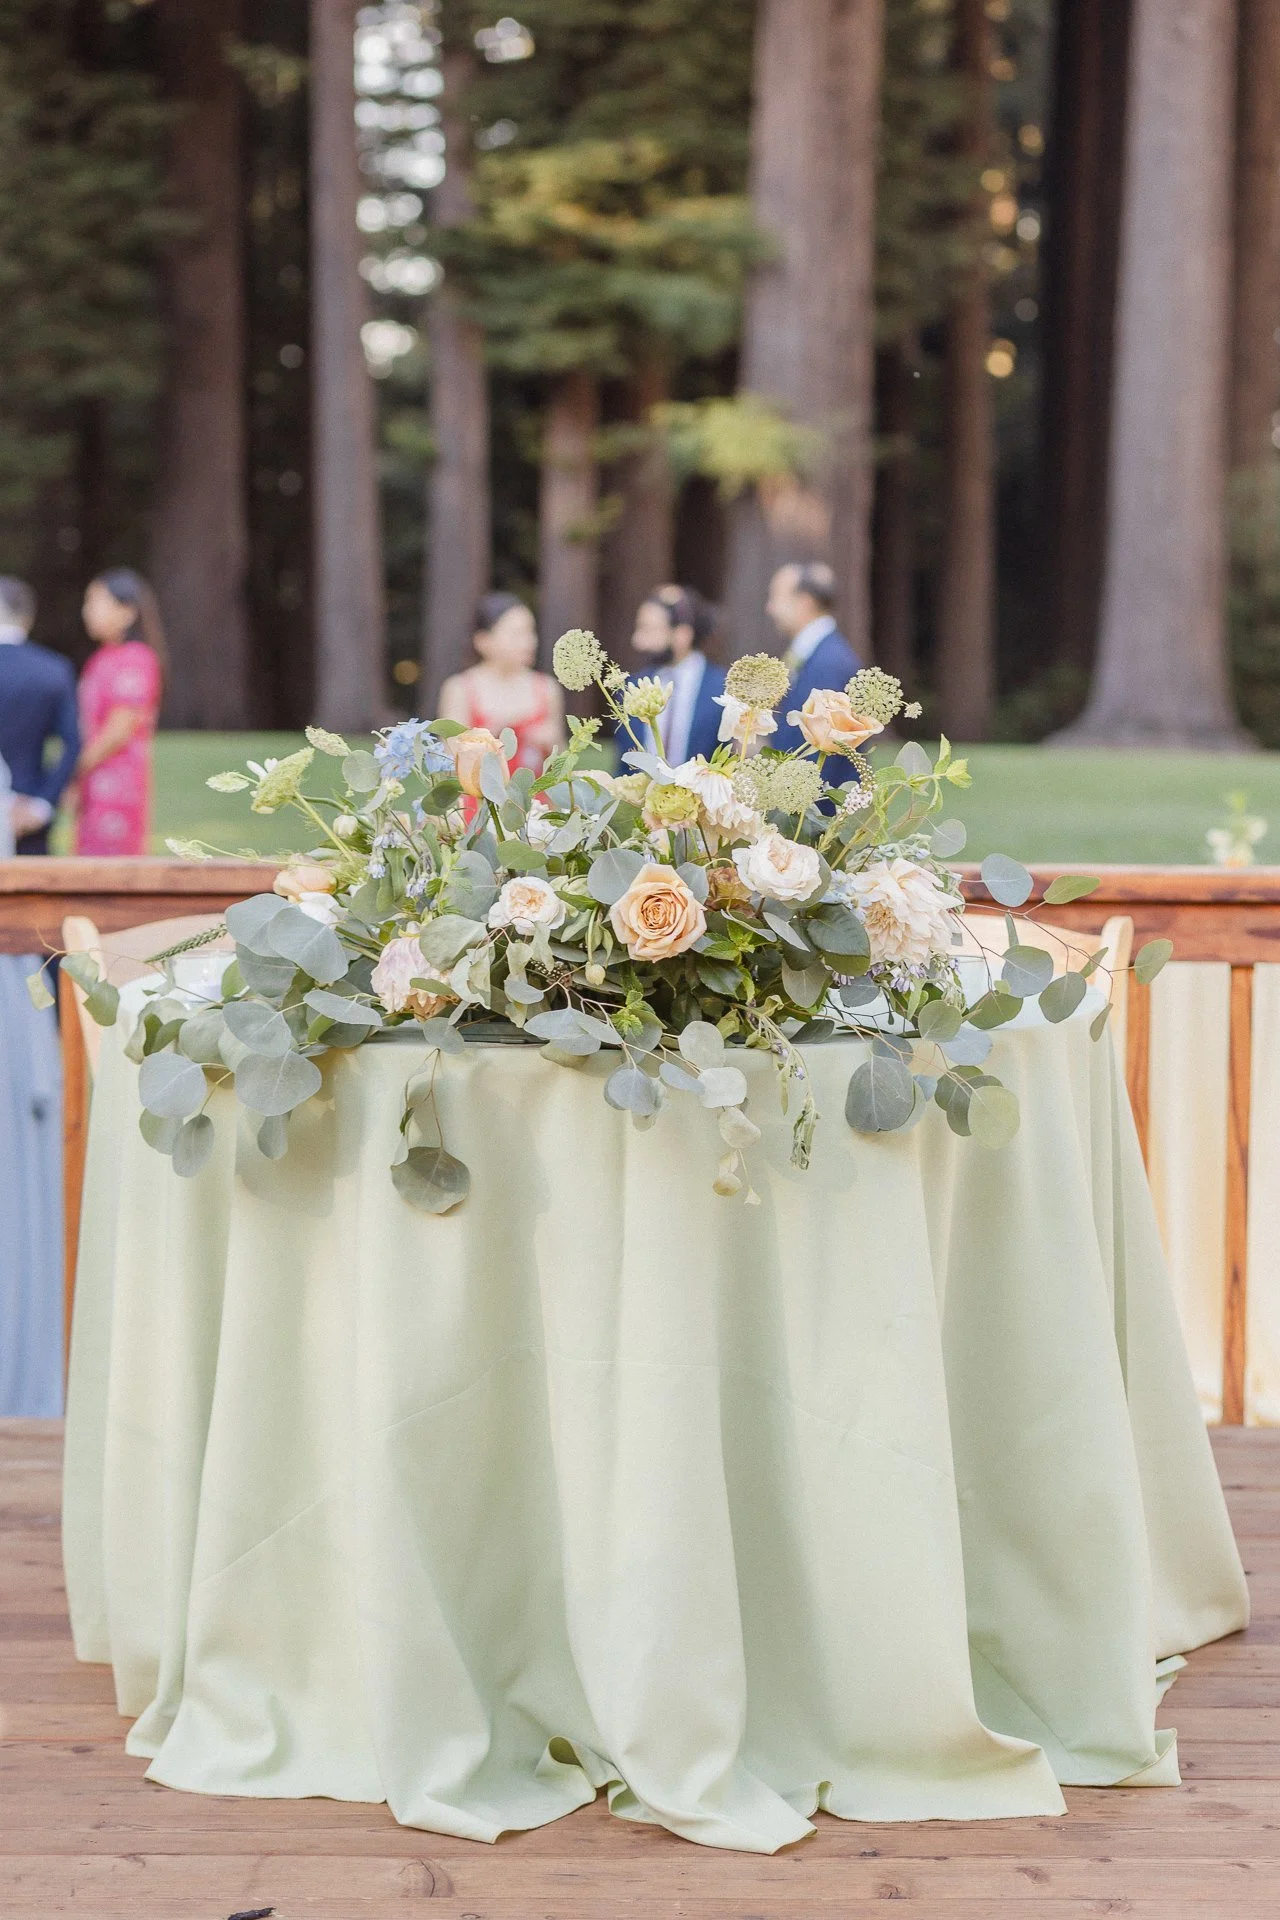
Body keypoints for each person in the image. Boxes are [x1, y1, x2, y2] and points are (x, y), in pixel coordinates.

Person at [72, 569, 166, 857]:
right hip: (94, 784)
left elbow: (119, 729)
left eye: (96, 602)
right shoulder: (101, 659)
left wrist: (75, 768)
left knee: (110, 871)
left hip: (118, 787)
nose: (87, 611)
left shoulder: (136, 659)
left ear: (127, 612)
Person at [438, 592, 565, 773]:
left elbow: (561, 767)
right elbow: (450, 761)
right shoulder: (460, 689)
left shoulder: (547, 688)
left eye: (531, 632)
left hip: (535, 800)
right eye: (516, 634)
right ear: (482, 641)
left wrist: (552, 742)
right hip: (479, 799)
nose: (529, 642)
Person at [0, 576, 80, 854]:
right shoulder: (53, 670)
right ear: (27, 618)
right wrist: (41, 804)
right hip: (29, 816)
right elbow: (72, 742)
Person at [765, 561, 862, 771]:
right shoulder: (813, 653)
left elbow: (824, 745)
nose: (770, 608)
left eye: (777, 598)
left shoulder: (830, 662)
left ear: (804, 602)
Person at [624, 584, 726, 766]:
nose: (637, 641)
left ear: (682, 635)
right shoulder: (632, 688)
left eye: (648, 630)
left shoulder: (723, 688)